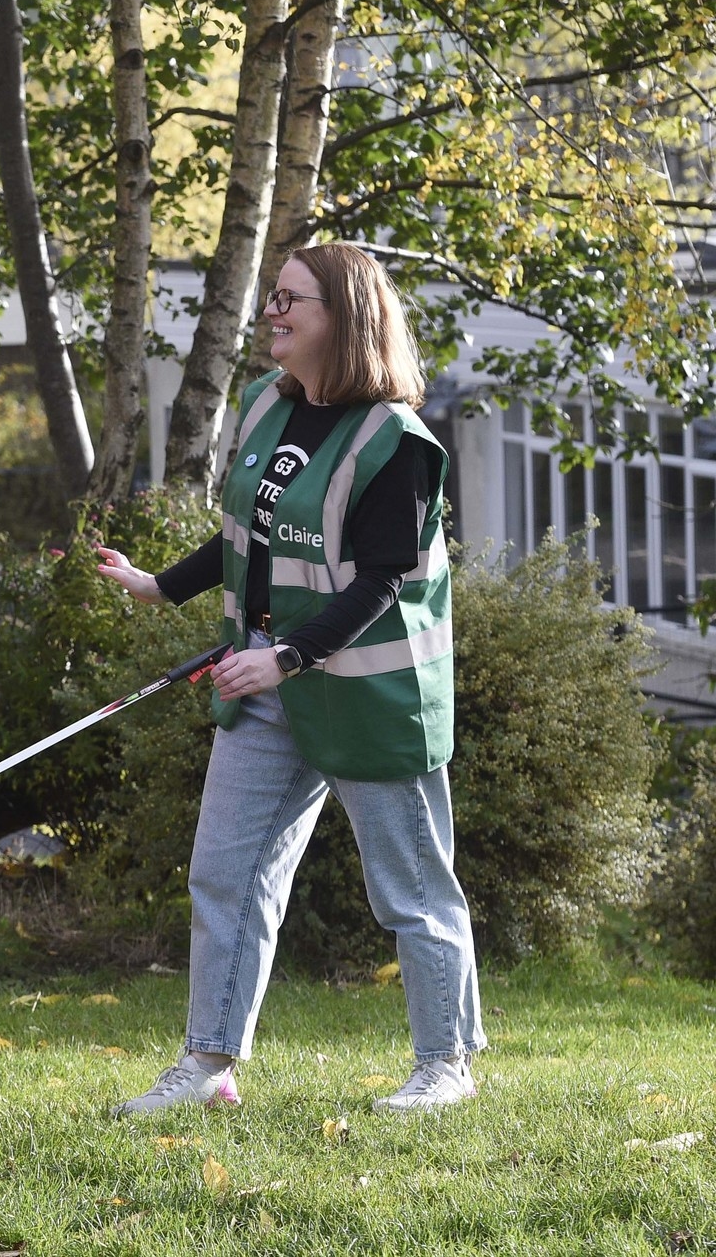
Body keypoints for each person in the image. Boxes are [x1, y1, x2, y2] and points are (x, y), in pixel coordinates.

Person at [97, 243, 483, 1116]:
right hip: (268, 688)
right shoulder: (267, 404)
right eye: (271, 297)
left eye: (290, 299)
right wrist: (158, 585)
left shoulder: (399, 442)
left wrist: (286, 655)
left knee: (413, 892)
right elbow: (249, 539)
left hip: (370, 698)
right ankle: (207, 1066)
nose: (272, 311)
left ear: (343, 317)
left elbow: (380, 581)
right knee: (226, 875)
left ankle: (446, 1065)